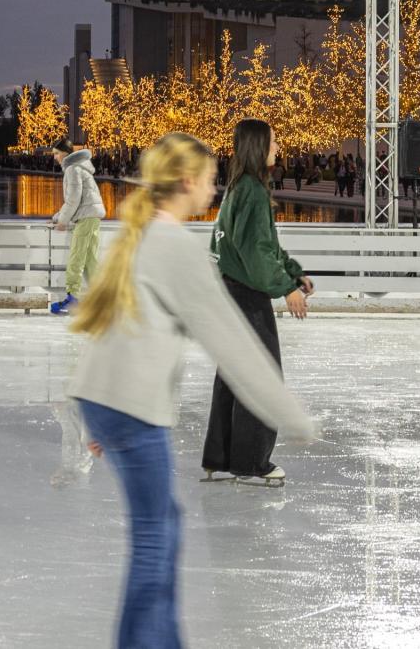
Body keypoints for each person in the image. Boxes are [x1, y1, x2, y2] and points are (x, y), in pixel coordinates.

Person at [66, 132, 315, 649]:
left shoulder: (140, 233)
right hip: (130, 407)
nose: (213, 189)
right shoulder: (173, 244)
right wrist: (295, 418)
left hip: (112, 401)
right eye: (207, 180)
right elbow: (236, 347)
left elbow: (107, 322)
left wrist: (95, 414)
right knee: (157, 538)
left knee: (163, 528)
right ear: (185, 182)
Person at [201, 118, 312, 487]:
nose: (278, 149)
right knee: (261, 375)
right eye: (274, 143)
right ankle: (250, 463)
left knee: (234, 375)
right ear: (257, 147)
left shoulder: (240, 188)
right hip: (246, 297)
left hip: (231, 294)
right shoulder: (250, 191)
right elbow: (257, 254)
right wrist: (286, 288)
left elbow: (265, 246)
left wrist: (292, 273)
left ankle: (221, 457)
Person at [48, 138, 105, 316]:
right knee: (90, 262)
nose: (55, 157)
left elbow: (73, 199)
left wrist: (62, 221)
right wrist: (59, 217)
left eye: (57, 153)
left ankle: (73, 299)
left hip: (86, 218)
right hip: (92, 217)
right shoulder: (80, 167)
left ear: (65, 153)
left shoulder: (72, 169)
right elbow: (75, 200)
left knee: (76, 259)